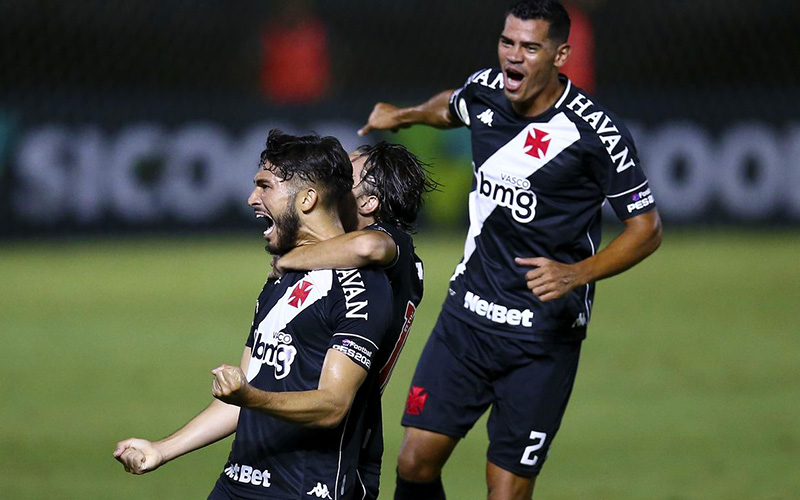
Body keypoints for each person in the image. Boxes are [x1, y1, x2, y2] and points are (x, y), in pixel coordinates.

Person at [358, 1, 663, 499]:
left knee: (505, 490)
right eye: (507, 42)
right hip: (469, 315)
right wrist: (403, 115)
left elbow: (646, 229)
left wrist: (575, 274)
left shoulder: (597, 133)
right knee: (414, 462)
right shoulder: (486, 90)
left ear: (561, 54)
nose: (513, 57)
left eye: (530, 47)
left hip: (542, 334)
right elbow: (451, 106)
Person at [114, 130, 394, 500]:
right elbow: (243, 391)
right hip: (237, 484)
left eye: (265, 186)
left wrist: (251, 397)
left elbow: (332, 405)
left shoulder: (360, 287)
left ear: (307, 198)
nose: (252, 198)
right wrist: (162, 449)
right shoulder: (283, 277)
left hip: (304, 490)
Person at [274, 142, 437, 500]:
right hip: (341, 419)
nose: (333, 179)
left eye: (346, 176)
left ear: (368, 203)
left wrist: (291, 259)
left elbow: (369, 247)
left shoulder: (393, 245)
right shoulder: (398, 263)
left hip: (347, 433)